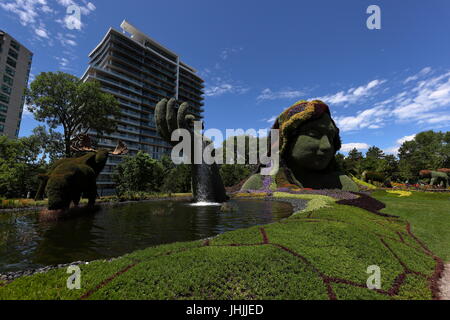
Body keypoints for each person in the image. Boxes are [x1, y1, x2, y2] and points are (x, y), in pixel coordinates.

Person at [241, 100, 359, 192]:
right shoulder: (259, 184)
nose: (327, 146)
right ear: (286, 141)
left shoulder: (342, 184)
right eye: (313, 134)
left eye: (331, 138)